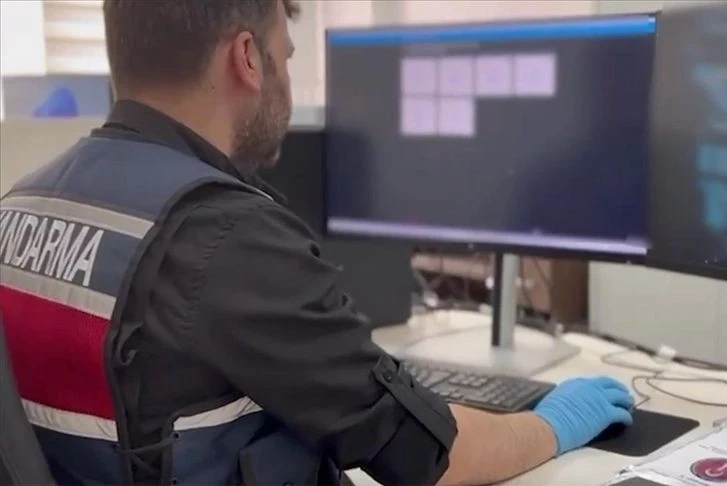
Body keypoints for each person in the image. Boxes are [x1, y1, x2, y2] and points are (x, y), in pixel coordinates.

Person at [0, 1, 634, 485]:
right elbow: (431, 455)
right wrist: (552, 423)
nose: (285, 75)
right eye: (286, 54)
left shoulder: (22, 203)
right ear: (248, 58)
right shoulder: (226, 236)